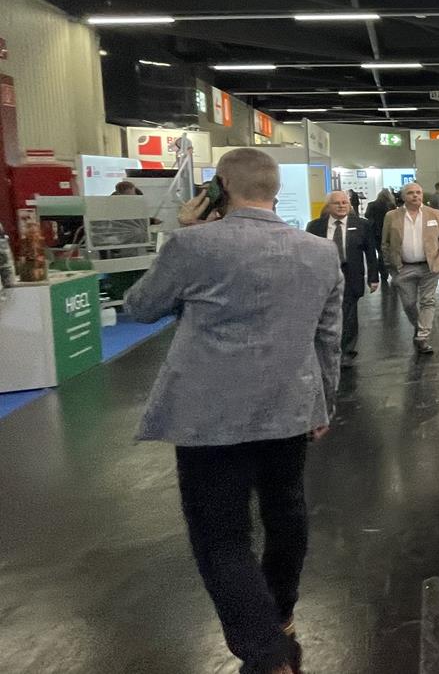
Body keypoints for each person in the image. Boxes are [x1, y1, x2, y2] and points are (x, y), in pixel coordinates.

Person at [123, 147, 341, 674]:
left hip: (208, 418)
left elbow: (140, 307)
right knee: (286, 515)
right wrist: (324, 405)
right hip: (289, 410)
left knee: (220, 535)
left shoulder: (192, 245)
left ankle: (267, 654)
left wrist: (181, 232)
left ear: (220, 187)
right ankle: (279, 618)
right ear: (275, 189)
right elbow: (328, 337)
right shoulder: (319, 252)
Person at [306, 191, 379, 368]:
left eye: (344, 203)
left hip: (351, 275)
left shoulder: (362, 225)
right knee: (326, 313)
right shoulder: (315, 226)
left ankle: (346, 351)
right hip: (325, 276)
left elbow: (370, 253)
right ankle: (327, 349)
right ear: (328, 206)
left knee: (349, 314)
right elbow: (309, 253)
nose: (341, 206)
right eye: (337, 203)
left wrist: (373, 277)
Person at [382, 182, 439, 354]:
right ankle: (420, 326)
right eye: (411, 193)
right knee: (408, 303)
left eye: (418, 192)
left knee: (428, 301)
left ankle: (423, 336)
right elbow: (385, 243)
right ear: (403, 196)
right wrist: (390, 265)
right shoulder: (392, 216)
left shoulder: (434, 214)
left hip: (430, 266)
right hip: (403, 267)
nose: (415, 195)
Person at [363, 189, 397, 284]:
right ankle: (388, 271)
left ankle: (382, 273)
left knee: (379, 252)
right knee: (387, 252)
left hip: (375, 232)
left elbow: (367, 215)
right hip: (388, 232)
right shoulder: (391, 206)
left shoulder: (371, 205)